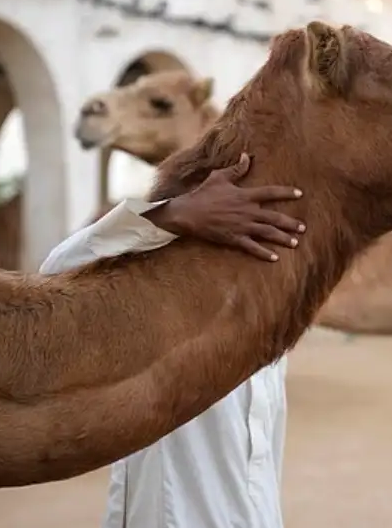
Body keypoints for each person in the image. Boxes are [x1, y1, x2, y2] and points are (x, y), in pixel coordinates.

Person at [39, 153, 300, 528]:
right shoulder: (148, 315)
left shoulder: (268, 334)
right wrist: (172, 215)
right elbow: (54, 278)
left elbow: (263, 470)